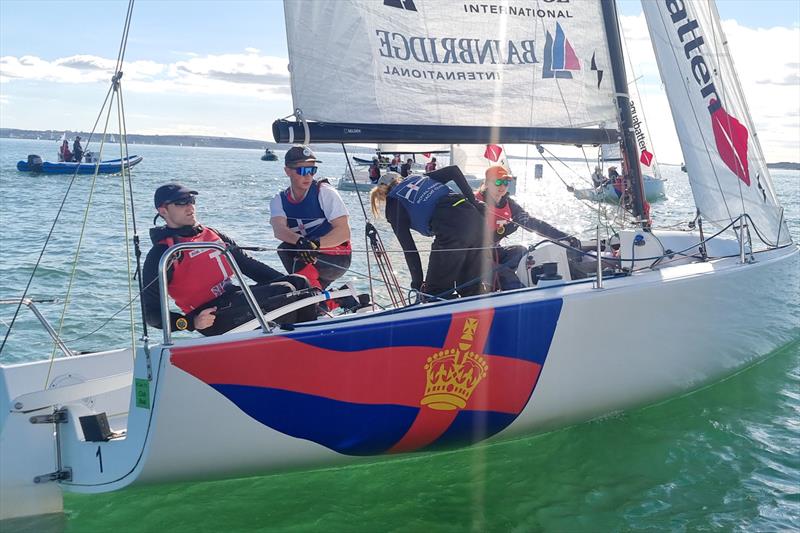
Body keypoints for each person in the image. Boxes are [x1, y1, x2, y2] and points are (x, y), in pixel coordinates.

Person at [142, 183, 317, 336]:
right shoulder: (162, 254)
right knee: (284, 291)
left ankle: (313, 336)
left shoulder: (213, 235)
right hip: (211, 317)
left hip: (233, 298)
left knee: (299, 283)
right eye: (181, 203)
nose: (190, 207)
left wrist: (299, 285)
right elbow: (151, 314)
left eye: (191, 201)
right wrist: (190, 323)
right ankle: (299, 345)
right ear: (163, 210)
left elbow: (250, 267)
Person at [370, 166, 490, 299]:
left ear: (382, 195)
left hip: (451, 230)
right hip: (476, 220)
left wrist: (417, 284)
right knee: (470, 287)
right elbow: (454, 170)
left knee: (434, 293)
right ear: (400, 179)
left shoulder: (393, 204)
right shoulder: (421, 178)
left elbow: (410, 251)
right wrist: (473, 201)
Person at [476, 166, 575, 290]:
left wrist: (564, 237)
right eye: (497, 182)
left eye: (506, 183)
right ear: (486, 183)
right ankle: (515, 292)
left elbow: (532, 223)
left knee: (522, 252)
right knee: (506, 275)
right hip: (475, 255)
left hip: (494, 251)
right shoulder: (475, 204)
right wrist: (503, 231)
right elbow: (472, 239)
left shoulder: (508, 203)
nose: (502, 187)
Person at [270, 145, 352, 290]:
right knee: (284, 249)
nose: (308, 176)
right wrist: (301, 242)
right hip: (309, 254)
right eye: (302, 171)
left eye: (312, 170)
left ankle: (313, 299)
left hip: (337, 256)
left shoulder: (325, 192)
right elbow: (279, 230)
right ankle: (338, 299)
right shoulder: (279, 199)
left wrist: (315, 244)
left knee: (300, 261)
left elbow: (343, 232)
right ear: (287, 171)